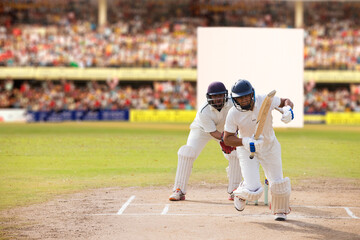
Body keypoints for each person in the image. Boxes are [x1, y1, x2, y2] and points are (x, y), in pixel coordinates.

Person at [223, 79, 294, 221]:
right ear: (234, 99)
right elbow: (227, 138)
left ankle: (280, 210)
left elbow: (285, 101)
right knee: (254, 191)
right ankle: (240, 192)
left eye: (246, 96)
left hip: (269, 146)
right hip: (247, 149)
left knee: (278, 184)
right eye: (239, 98)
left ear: (252, 94)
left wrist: (288, 110)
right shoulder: (233, 113)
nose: (243, 100)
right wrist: (244, 141)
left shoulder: (264, 100)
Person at [169, 81, 242, 201]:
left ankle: (234, 190)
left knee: (235, 153)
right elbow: (213, 132)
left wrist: (233, 137)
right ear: (209, 97)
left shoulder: (233, 104)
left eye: (220, 95)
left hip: (225, 130)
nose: (217, 99)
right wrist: (226, 139)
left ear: (225, 95)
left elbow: (238, 122)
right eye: (214, 96)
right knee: (187, 153)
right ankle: (179, 190)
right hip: (202, 130)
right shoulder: (204, 111)